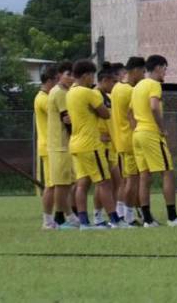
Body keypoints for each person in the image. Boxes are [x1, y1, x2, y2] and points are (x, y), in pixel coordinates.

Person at [130, 55, 177, 227]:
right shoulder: (154, 85)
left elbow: (130, 112)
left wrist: (137, 127)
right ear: (157, 68)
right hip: (150, 133)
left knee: (144, 176)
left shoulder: (137, 86)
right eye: (165, 69)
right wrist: (162, 127)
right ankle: (172, 217)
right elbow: (154, 106)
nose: (165, 72)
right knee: (167, 172)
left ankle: (147, 219)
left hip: (138, 134)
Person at [66, 60, 121, 229]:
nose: (93, 80)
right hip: (90, 143)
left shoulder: (70, 92)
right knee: (104, 182)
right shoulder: (88, 93)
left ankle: (83, 222)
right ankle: (115, 220)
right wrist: (96, 109)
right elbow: (104, 114)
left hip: (75, 143)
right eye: (91, 76)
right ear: (86, 75)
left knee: (82, 184)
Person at [111, 56, 144, 226]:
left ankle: (120, 214)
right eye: (143, 72)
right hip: (130, 141)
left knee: (125, 181)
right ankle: (128, 217)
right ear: (136, 71)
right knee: (132, 180)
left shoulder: (116, 88)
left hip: (119, 141)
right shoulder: (130, 91)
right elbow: (133, 117)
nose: (144, 76)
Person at [47, 61, 79, 229]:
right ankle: (59, 219)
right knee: (61, 184)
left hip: (65, 145)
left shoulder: (66, 92)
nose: (71, 78)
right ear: (59, 75)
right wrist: (77, 134)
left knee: (67, 184)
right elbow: (66, 119)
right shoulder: (59, 92)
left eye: (73, 75)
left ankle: (69, 216)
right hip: (60, 145)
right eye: (68, 74)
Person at [94, 65, 123, 225]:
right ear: (104, 80)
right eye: (113, 82)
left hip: (112, 146)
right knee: (103, 182)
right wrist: (98, 135)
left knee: (116, 182)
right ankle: (98, 217)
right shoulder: (93, 95)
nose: (114, 86)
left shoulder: (107, 97)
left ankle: (115, 215)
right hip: (101, 146)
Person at [34, 65, 58, 230]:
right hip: (48, 147)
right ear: (50, 81)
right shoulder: (43, 99)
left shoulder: (48, 97)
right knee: (51, 185)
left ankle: (61, 217)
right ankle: (47, 221)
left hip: (55, 146)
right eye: (56, 80)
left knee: (61, 184)